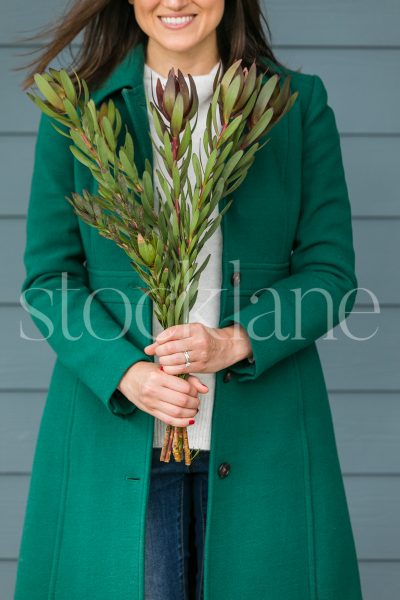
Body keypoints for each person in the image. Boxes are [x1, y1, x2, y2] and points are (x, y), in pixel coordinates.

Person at [14, 1, 363, 600]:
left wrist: (235, 341)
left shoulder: (295, 105)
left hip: (265, 443)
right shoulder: (78, 109)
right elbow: (48, 281)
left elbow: (330, 274)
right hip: (114, 442)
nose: (174, 1)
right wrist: (127, 373)